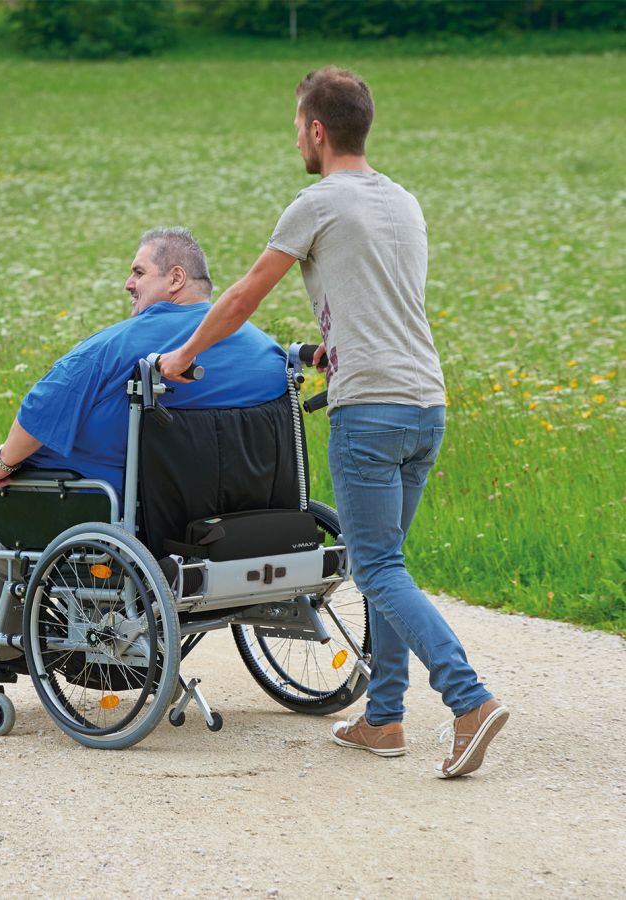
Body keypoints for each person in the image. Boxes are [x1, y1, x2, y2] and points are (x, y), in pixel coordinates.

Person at [158, 68, 507, 779]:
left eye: (297, 127)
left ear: (317, 130)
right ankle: (383, 718)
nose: (297, 138)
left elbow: (244, 295)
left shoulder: (317, 202)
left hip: (370, 410)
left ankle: (468, 701)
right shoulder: (403, 201)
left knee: (376, 567)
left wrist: (182, 355)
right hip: (425, 403)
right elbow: (375, 299)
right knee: (390, 568)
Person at [0, 227, 288, 669]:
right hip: (237, 519)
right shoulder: (264, 350)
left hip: (130, 520)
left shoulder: (116, 346)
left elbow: (37, 414)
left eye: (138, 272)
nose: (128, 283)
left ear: (176, 279)